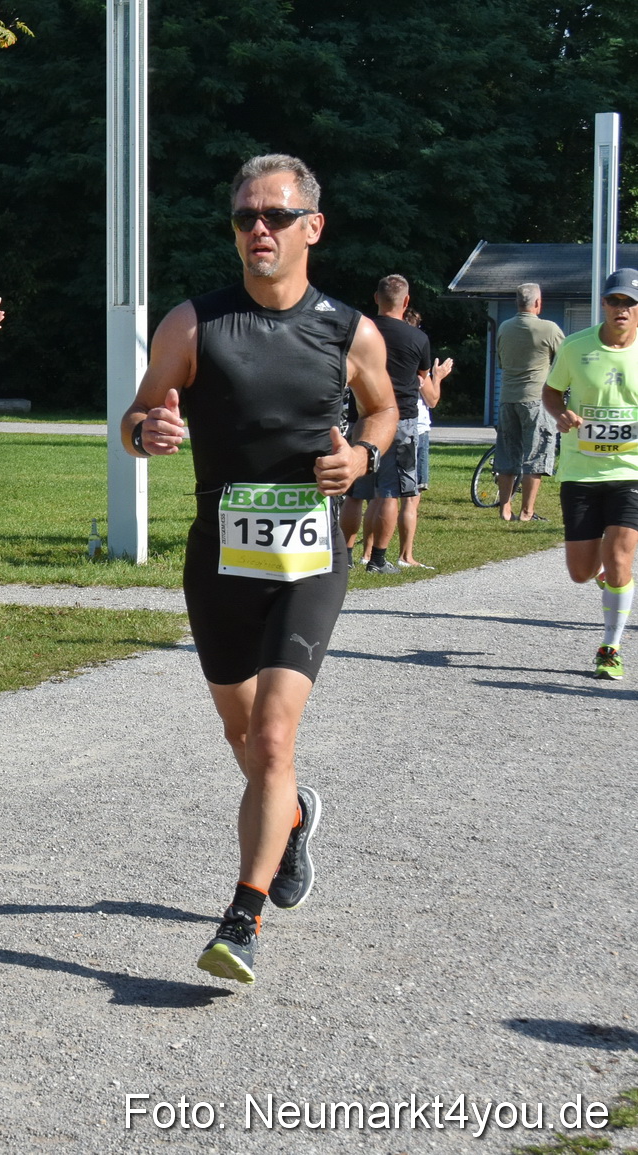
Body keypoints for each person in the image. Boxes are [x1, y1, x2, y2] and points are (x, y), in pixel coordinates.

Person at [120, 153, 395, 985]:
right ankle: (297, 814)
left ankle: (242, 916)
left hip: (311, 557)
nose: (259, 230)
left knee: (274, 734)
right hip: (221, 557)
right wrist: (148, 433)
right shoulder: (193, 323)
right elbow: (138, 414)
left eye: (276, 215)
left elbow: (385, 407)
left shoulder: (349, 329)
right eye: (246, 217)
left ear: (313, 226)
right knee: (246, 738)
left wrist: (363, 454)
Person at [541, 268, 638, 680]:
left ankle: (610, 648)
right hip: (581, 471)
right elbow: (550, 391)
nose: (622, 309)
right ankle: (608, 579)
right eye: (615, 301)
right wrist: (561, 414)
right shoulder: (576, 346)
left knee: (620, 558)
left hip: (631, 471)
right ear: (604, 304)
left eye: (630, 303)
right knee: (581, 573)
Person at [361, 275, 447, 574]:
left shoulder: (360, 329)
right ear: (406, 301)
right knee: (390, 492)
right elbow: (422, 379)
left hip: (362, 415)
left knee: (357, 494)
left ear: (376, 298)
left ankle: (347, 555)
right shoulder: (417, 338)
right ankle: (379, 560)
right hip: (403, 419)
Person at [494, 283, 565, 522]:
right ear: (537, 303)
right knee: (535, 455)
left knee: (507, 454)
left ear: (517, 303)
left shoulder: (504, 327)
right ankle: (527, 511)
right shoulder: (549, 328)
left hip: (507, 399)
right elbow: (565, 361)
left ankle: (505, 508)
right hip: (536, 399)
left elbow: (501, 361)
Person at [397, 309, 451, 568]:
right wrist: (437, 377)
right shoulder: (416, 356)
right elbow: (431, 399)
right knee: (411, 495)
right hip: (416, 429)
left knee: (380, 495)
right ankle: (406, 555)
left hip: (388, 424)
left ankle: (367, 554)